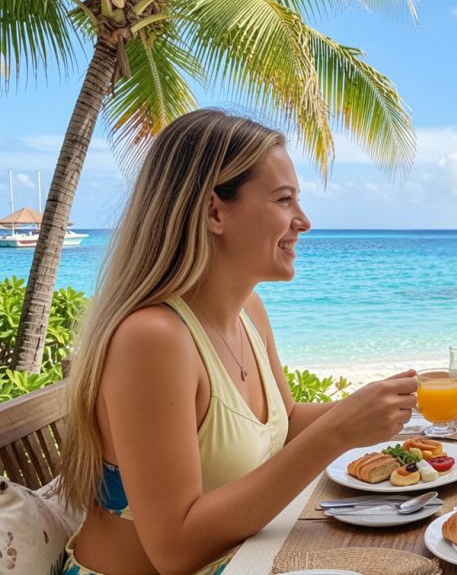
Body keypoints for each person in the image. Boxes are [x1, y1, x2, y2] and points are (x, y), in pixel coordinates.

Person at [58, 109, 419, 575]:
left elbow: (283, 424)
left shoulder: (249, 312)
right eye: (284, 200)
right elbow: (174, 550)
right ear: (214, 211)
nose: (303, 221)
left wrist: (387, 404)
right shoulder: (152, 338)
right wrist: (337, 432)